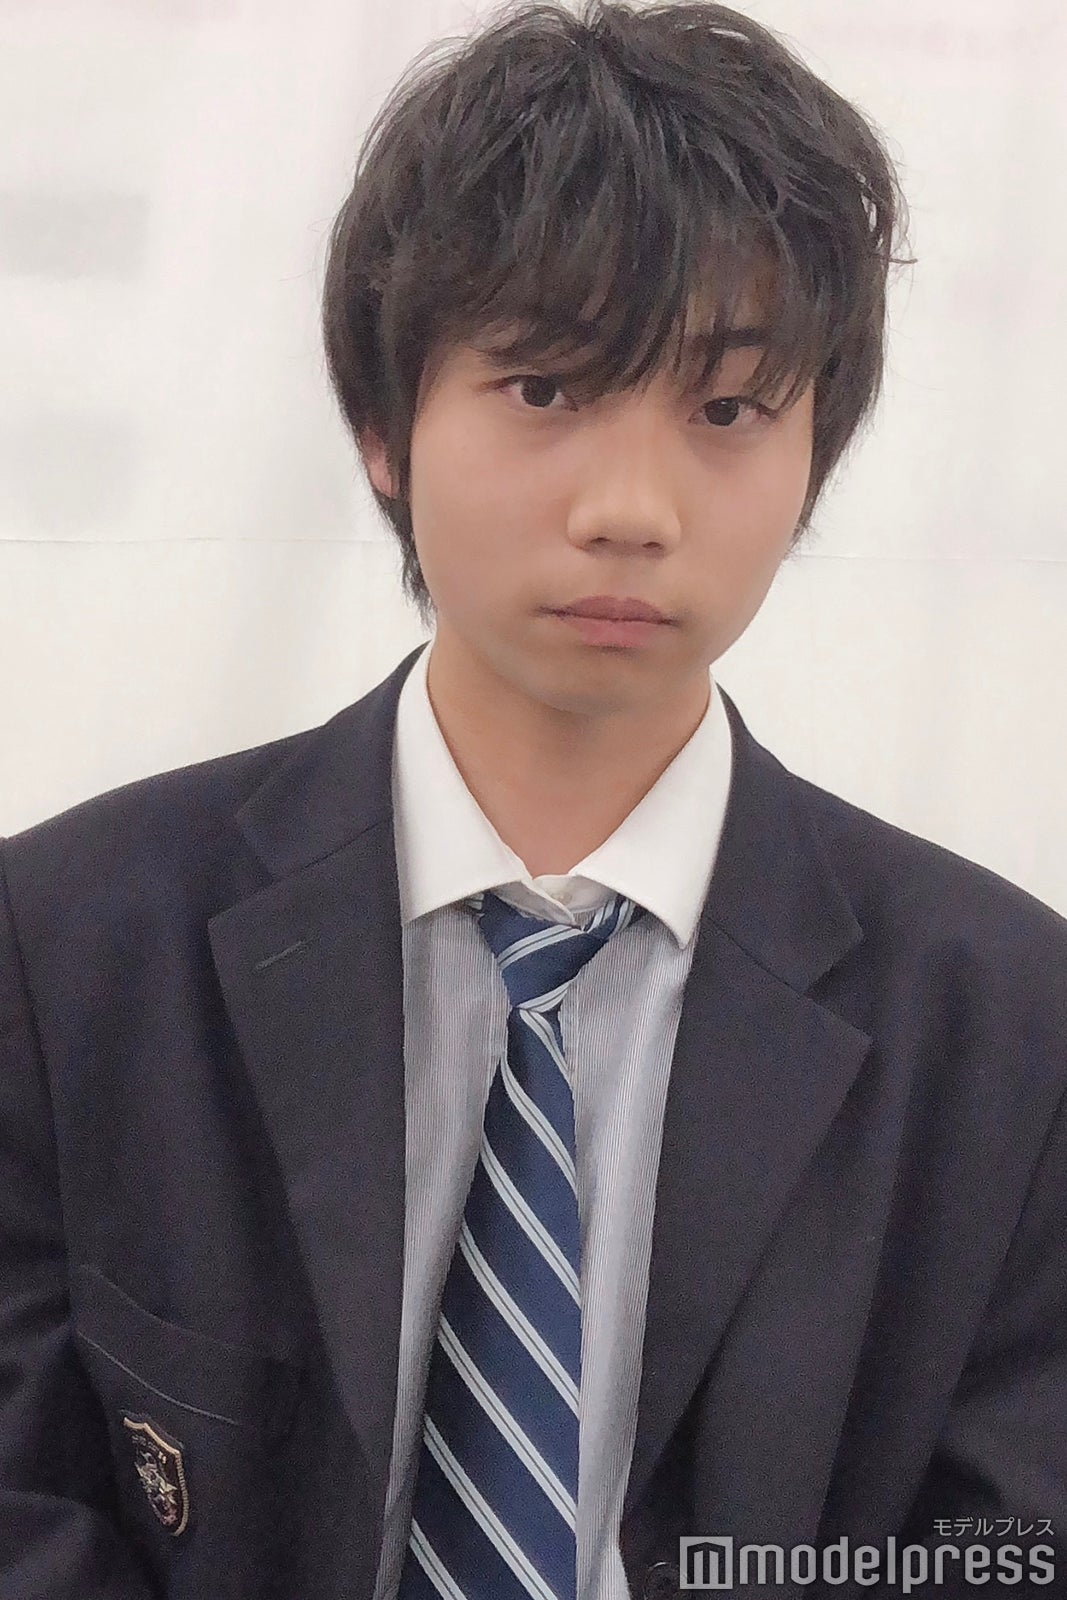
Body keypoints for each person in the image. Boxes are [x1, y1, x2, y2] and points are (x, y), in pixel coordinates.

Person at [1, 0, 1064, 1595]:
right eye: (548, 391)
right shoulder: (68, 948)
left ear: (815, 454)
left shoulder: (1010, 1028)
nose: (631, 508)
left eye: (726, 410)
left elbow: (1009, 1546)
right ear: (383, 428)